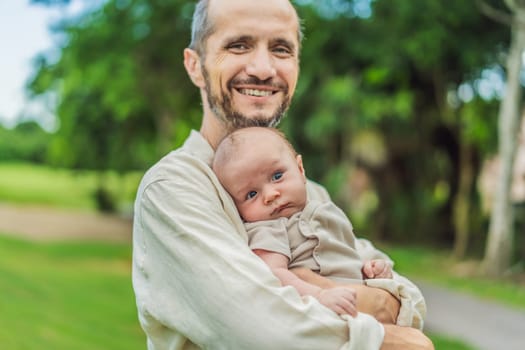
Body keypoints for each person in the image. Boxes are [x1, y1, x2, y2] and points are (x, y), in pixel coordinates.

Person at [131, 0, 434, 349]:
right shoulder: (172, 189)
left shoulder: (311, 192)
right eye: (239, 45)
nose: (262, 69)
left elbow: (404, 296)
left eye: (280, 49)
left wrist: (322, 288)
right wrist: (386, 336)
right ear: (195, 65)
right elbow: (266, 333)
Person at [212, 127, 396, 317]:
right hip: (328, 308)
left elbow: (342, 257)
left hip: (357, 300)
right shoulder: (269, 229)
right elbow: (274, 274)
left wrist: (366, 268)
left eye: (277, 176)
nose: (270, 195)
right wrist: (320, 295)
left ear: (300, 169)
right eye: (251, 194)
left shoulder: (323, 209)